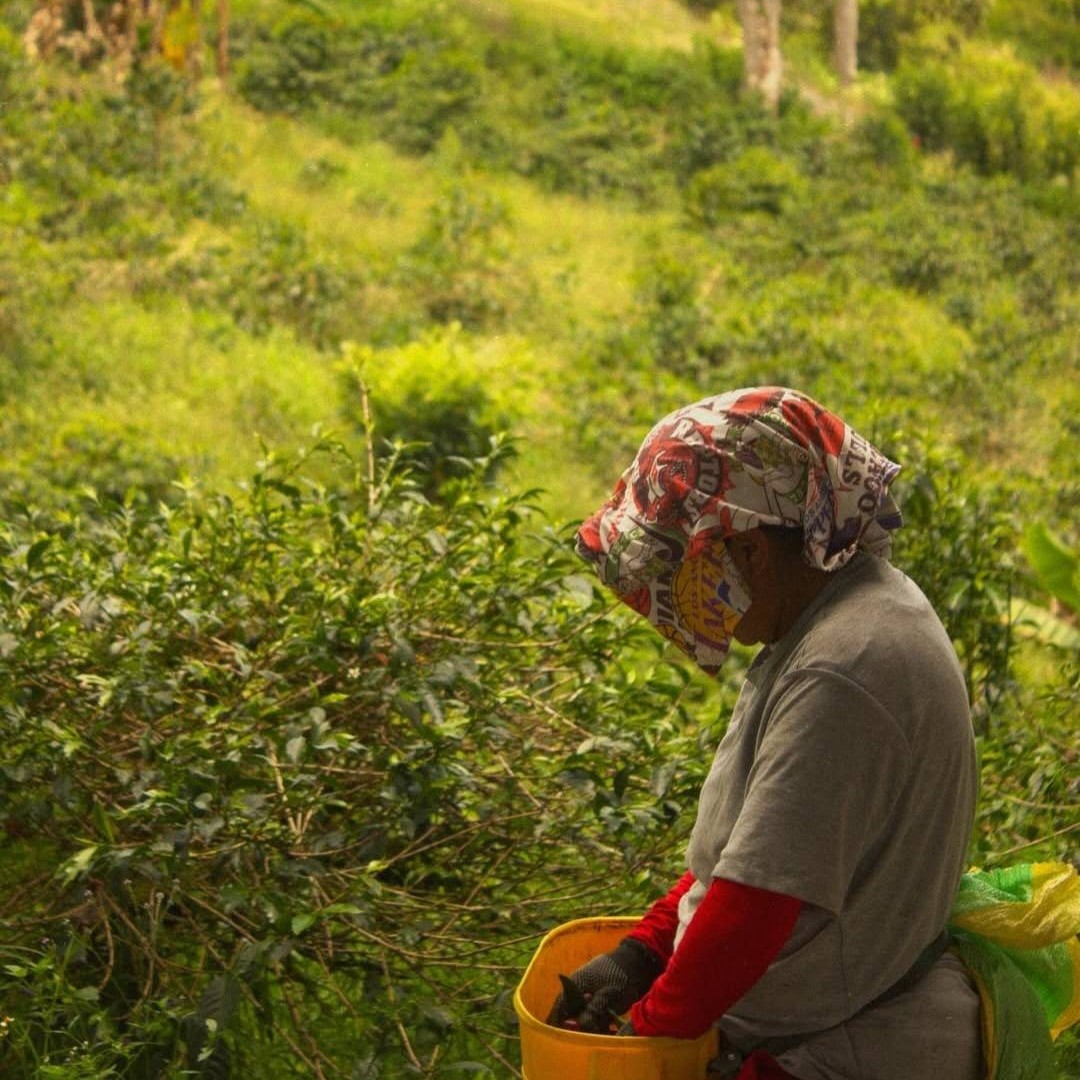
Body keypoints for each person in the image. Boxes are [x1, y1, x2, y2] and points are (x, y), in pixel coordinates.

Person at [547, 387, 982, 1080]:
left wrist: (646, 1037)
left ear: (746, 551)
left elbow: (756, 906)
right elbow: (757, 853)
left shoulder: (842, 670)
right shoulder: (842, 616)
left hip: (847, 1046)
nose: (678, 595)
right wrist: (644, 954)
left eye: (682, 568)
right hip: (840, 1017)